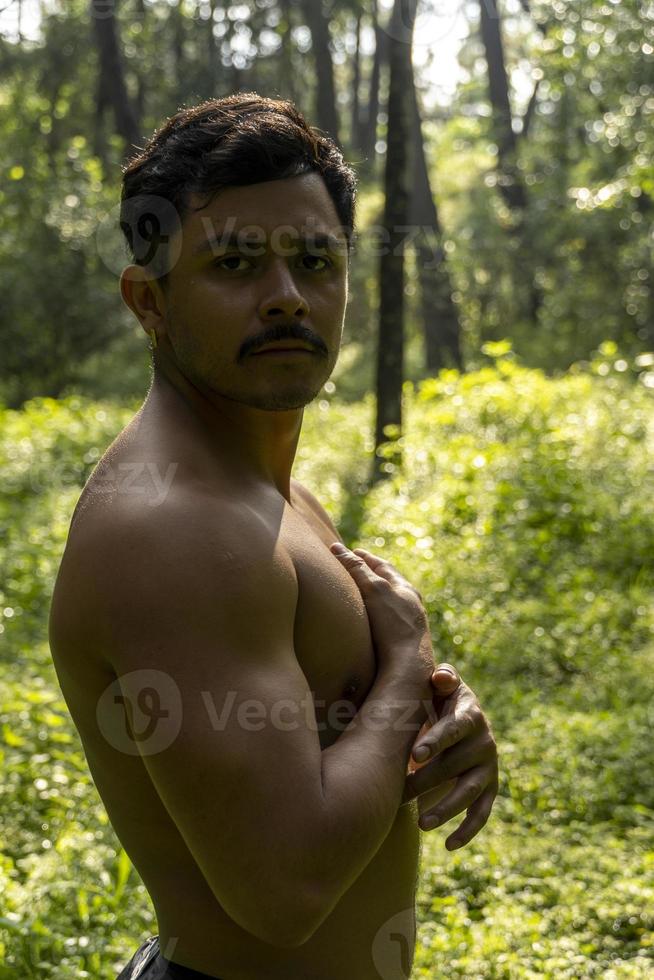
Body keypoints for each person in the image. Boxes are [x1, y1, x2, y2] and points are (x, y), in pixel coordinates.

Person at [48, 94, 498, 980]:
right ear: (150, 301)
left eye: (315, 260)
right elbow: (286, 890)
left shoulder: (267, 491)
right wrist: (406, 665)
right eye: (236, 263)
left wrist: (438, 714)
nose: (287, 297)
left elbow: (333, 727)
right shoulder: (171, 527)